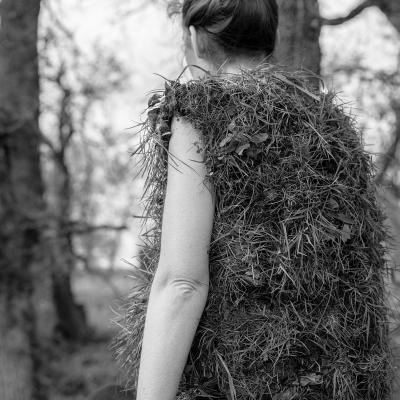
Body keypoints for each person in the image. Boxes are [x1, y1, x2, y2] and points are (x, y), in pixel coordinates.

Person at [89, 1, 279, 399]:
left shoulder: (202, 114)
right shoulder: (333, 129)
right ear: (269, 39)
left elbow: (183, 283)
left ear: (192, 38)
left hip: (235, 380)